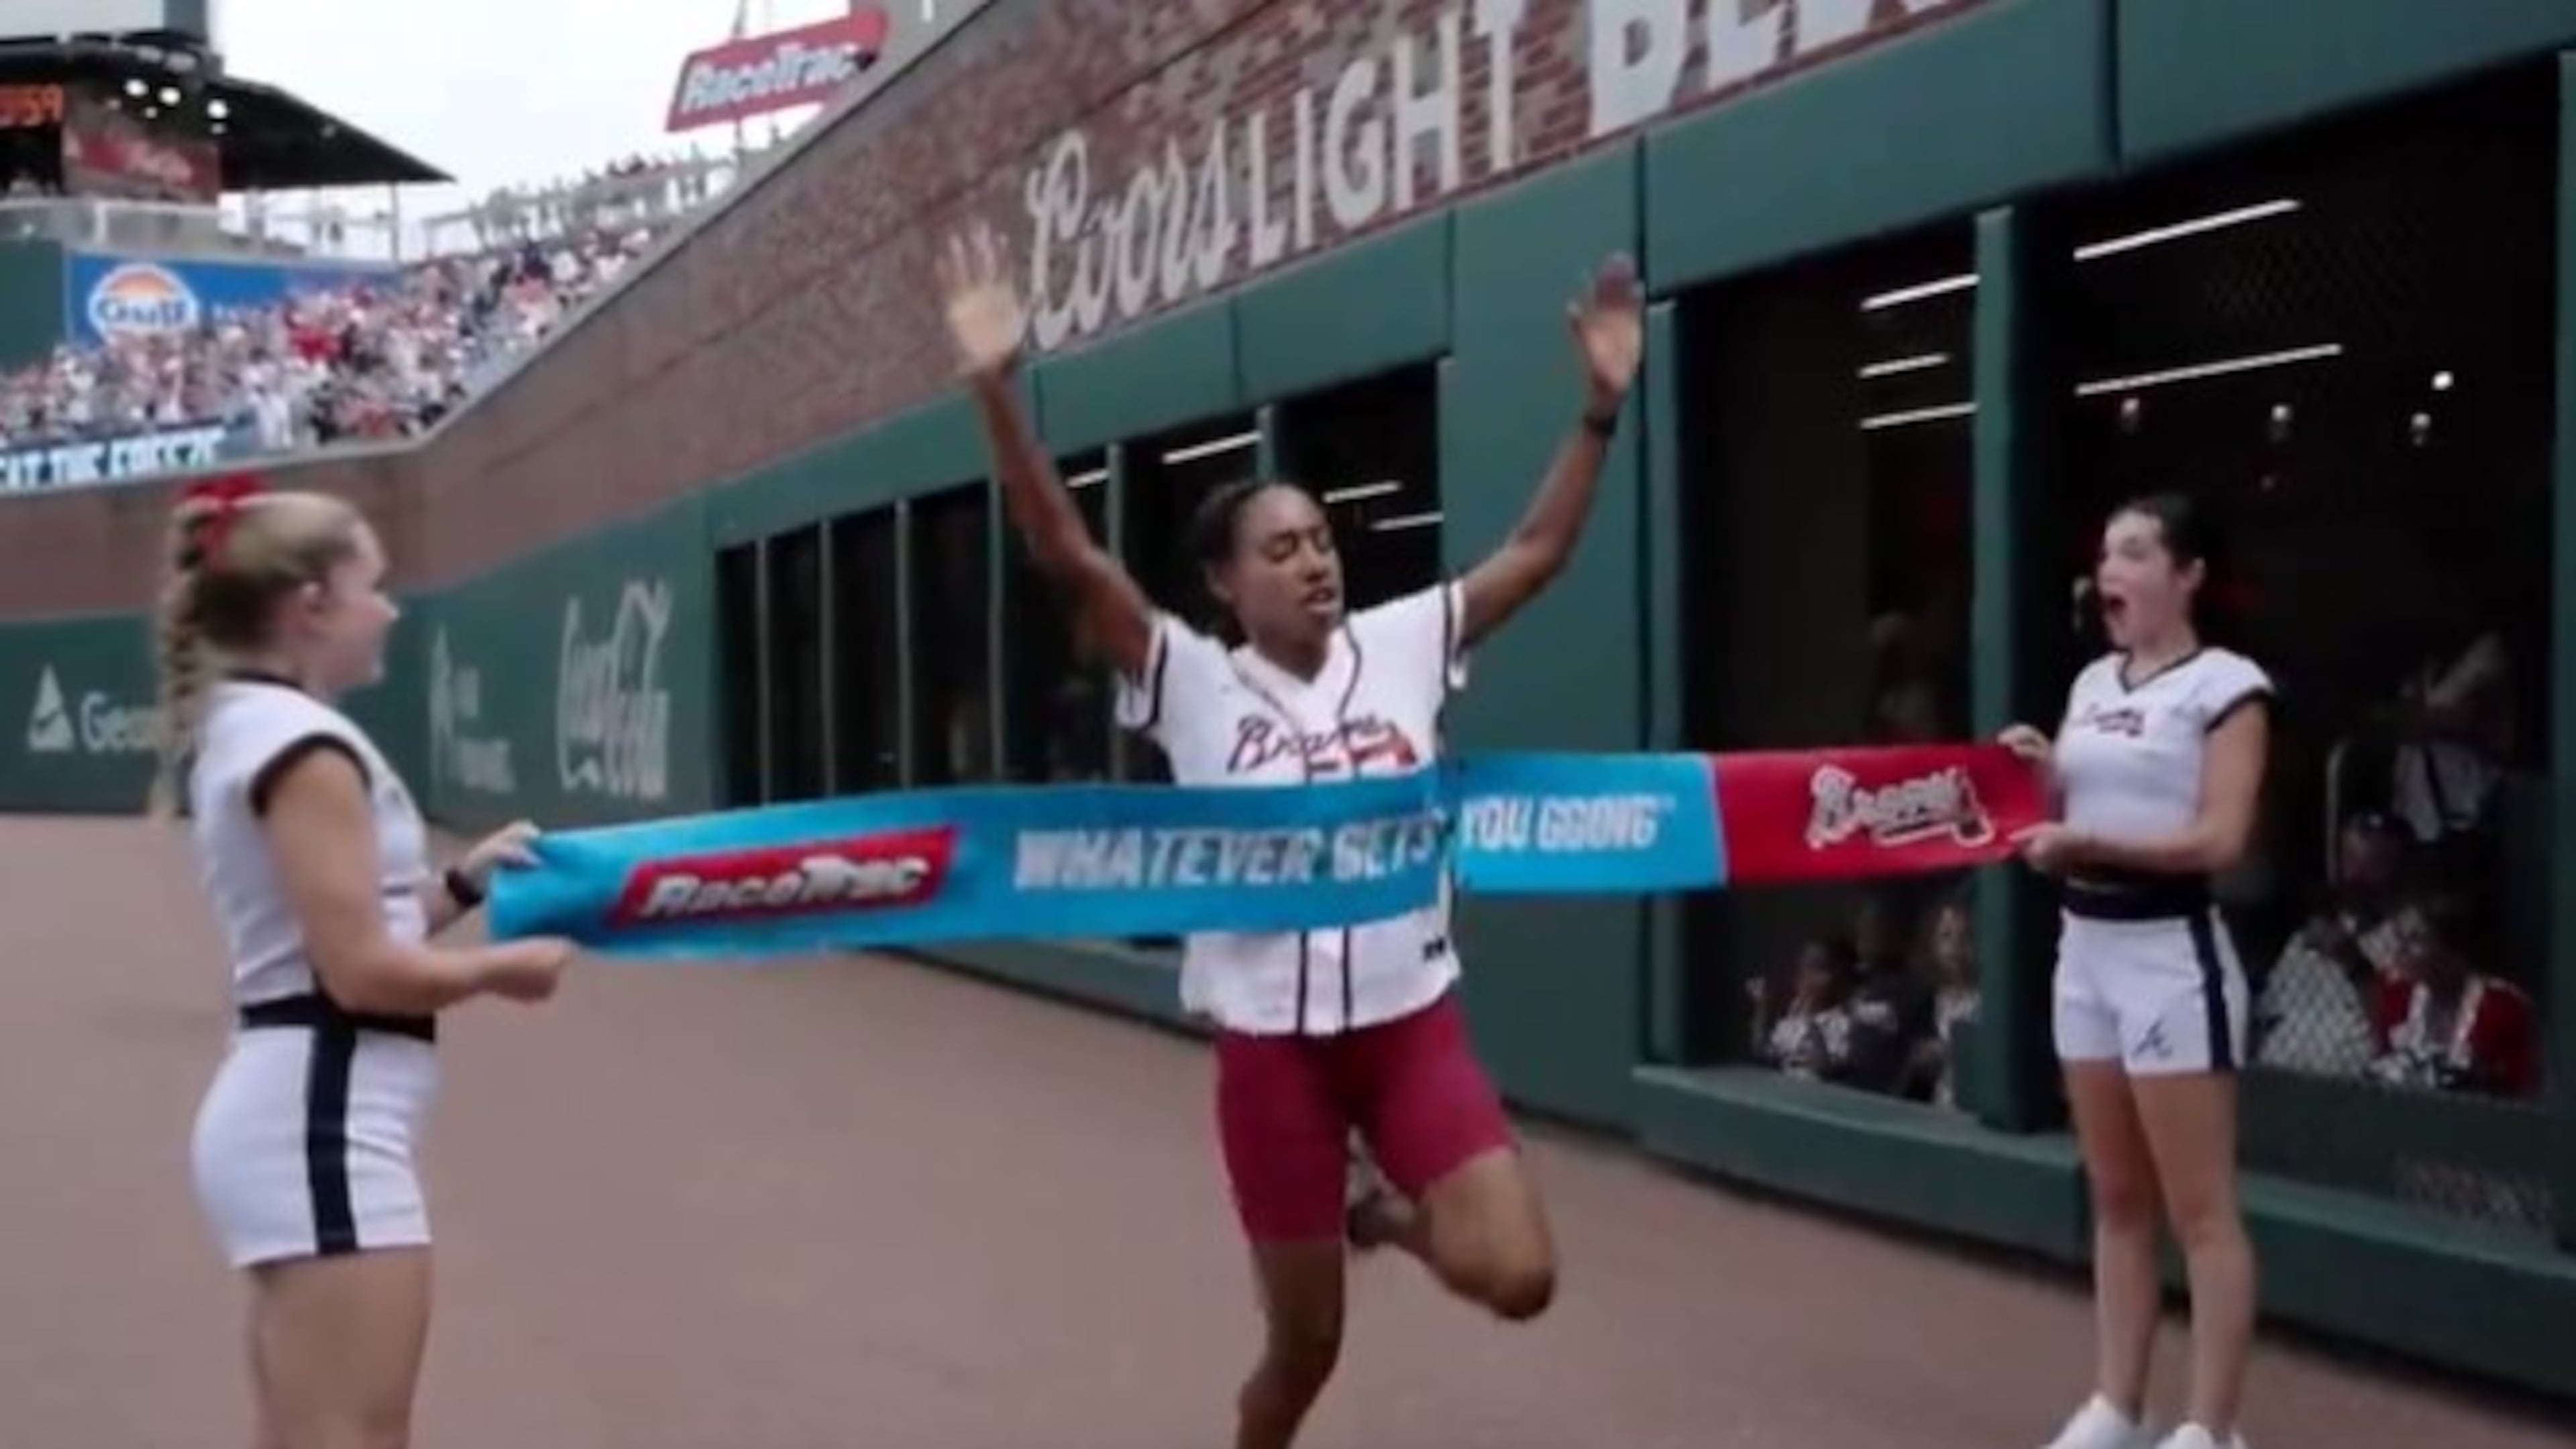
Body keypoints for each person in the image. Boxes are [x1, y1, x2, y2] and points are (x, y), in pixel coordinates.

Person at [936, 226, 1642, 1449]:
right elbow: (1068, 555)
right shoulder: (1194, 684)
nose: (1314, 563)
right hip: (1275, 1053)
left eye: (1320, 540)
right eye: (1282, 549)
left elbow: (1537, 553)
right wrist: (999, 392)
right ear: (1225, 583)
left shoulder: (1409, 640)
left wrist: (1597, 410)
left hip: (1410, 1025)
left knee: (1519, 1277)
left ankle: (1387, 1217)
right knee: (1302, 1355)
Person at [150, 474, 578, 1449]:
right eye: (374, 587)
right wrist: (499, 971)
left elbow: (355, 931)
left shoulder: (261, 726)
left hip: (301, 1114)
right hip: (321, 1126)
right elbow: (359, 973)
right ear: (312, 607)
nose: (388, 610)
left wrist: (463, 886)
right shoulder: (301, 745)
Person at [1999, 492, 2272, 1449]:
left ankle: (2212, 1426)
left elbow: (2220, 838)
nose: (2111, 571)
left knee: (2200, 1210)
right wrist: (2038, 778)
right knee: (2116, 1198)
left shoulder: (2228, 687)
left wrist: (2089, 842)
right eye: (2106, 553)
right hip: (2085, 956)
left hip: (2170, 959)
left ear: (2188, 575)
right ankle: (2117, 1404)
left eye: (2137, 553)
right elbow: (2073, 803)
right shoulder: (2090, 687)